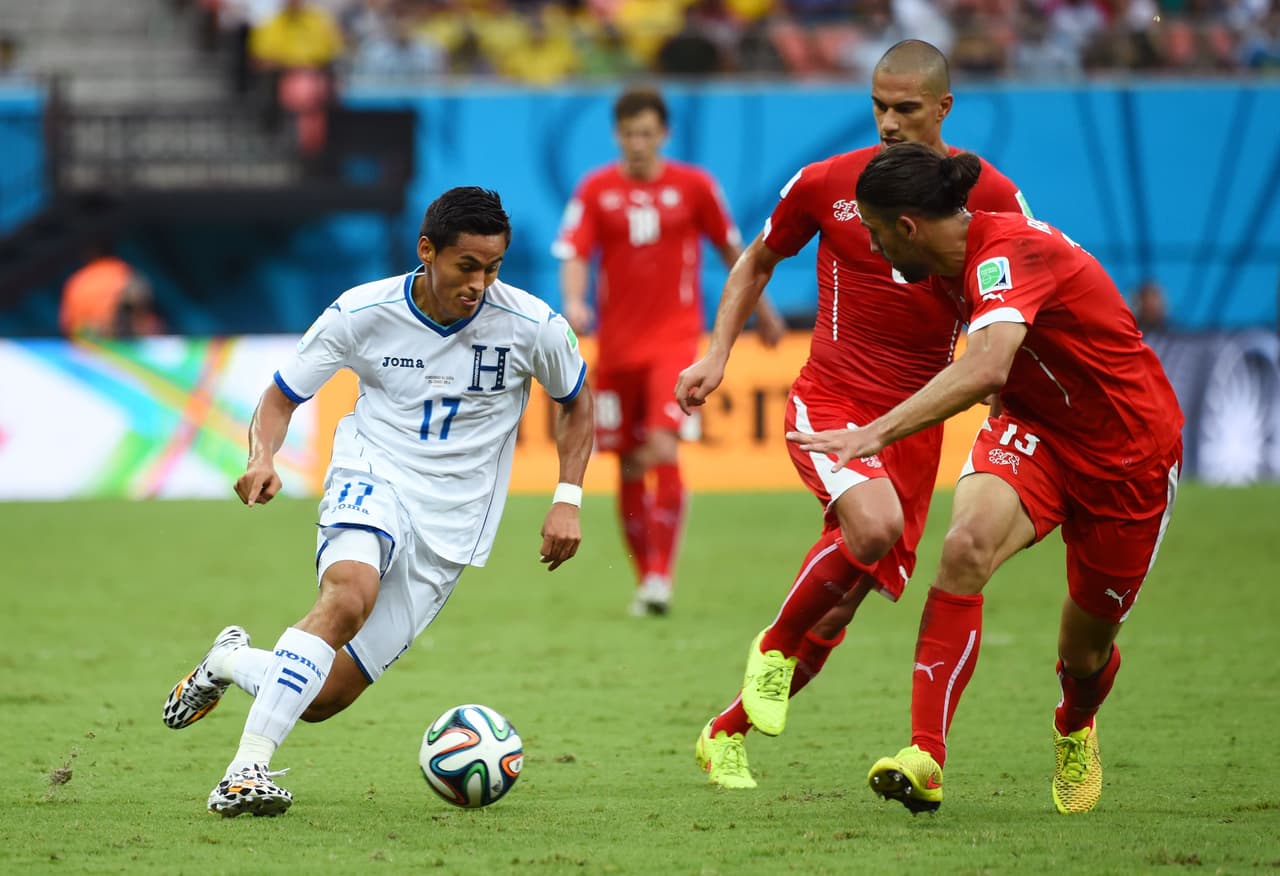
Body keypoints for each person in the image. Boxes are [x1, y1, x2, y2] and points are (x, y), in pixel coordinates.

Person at [161, 187, 594, 817]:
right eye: (466, 266)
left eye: (493, 268)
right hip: (373, 474)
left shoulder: (532, 326)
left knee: (324, 697)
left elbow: (578, 403)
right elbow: (282, 396)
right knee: (347, 595)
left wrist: (568, 498)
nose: (479, 284)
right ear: (427, 251)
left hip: (453, 524)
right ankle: (244, 770)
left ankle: (228, 660)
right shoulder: (362, 312)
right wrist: (262, 456)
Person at [675, 39, 1031, 791]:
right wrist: (717, 354)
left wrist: (1008, 381)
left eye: (906, 108)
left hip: (914, 421)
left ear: (943, 108)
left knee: (837, 613)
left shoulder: (992, 195)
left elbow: (1018, 298)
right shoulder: (830, 183)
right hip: (831, 398)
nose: (890, 122)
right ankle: (772, 650)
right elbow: (757, 260)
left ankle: (724, 733)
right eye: (878, 106)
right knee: (871, 529)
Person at [788, 144, 1183, 814]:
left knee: (1085, 649)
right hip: (1036, 433)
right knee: (964, 548)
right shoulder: (938, 265)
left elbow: (989, 364)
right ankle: (926, 756)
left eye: (880, 236)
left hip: (1129, 457)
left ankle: (1075, 722)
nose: (878, 253)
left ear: (909, 227)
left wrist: (875, 432)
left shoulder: (1005, 253)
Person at [554, 86, 785, 617]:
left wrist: (765, 310)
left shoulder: (694, 186)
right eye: (630, 133)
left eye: (647, 132)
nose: (638, 142)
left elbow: (737, 252)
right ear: (618, 135)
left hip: (675, 341)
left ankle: (661, 574)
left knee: (662, 447)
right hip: (616, 348)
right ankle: (647, 582)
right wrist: (572, 301)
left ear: (664, 134)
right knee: (630, 462)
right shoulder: (595, 190)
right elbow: (574, 252)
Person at [59, 242, 164, 339]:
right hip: (121, 341)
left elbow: (67, 325)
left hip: (88, 344)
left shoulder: (77, 281)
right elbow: (141, 301)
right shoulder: (121, 271)